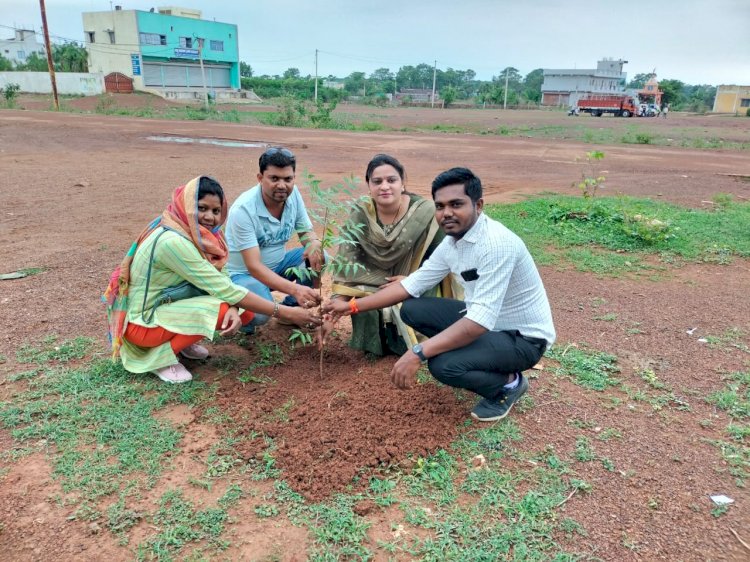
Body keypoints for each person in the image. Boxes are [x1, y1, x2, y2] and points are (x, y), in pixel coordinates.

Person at [322, 167, 555, 422]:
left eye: (456, 204)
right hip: (489, 324)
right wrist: (351, 307)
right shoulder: (453, 241)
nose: (446, 213)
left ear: (478, 205)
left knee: (443, 365)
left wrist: (418, 352)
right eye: (440, 206)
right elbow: (410, 286)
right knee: (412, 308)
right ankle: (471, 357)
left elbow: (479, 322)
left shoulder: (496, 245)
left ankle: (507, 385)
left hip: (522, 339)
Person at [103, 176, 321, 384]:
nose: (210, 217)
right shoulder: (173, 241)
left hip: (166, 306)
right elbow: (224, 288)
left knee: (240, 309)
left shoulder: (203, 235)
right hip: (142, 324)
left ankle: (181, 343)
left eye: (216, 211)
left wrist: (235, 307)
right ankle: (162, 359)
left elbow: (222, 275)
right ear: (186, 205)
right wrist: (287, 312)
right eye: (202, 208)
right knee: (222, 311)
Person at [321, 154, 458, 356]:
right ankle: (374, 347)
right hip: (372, 282)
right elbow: (347, 263)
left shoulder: (427, 213)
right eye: (377, 182)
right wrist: (334, 309)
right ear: (369, 186)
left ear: (402, 184)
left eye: (391, 180)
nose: (384, 186)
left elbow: (443, 260)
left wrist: (411, 281)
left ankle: (407, 344)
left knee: (411, 302)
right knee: (361, 298)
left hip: (419, 279)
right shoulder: (360, 214)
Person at [225, 147, 323, 330]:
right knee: (261, 315)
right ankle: (240, 313)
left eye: (288, 179)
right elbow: (253, 267)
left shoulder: (293, 196)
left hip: (279, 266)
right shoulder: (243, 210)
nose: (282, 185)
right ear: (260, 178)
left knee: (318, 252)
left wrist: (314, 243)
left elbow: (305, 231)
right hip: (244, 276)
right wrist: (295, 289)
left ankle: (291, 311)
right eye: (274, 178)